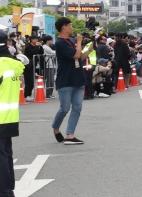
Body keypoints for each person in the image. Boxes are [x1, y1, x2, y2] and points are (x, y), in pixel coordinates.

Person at [0, 30, 28, 197]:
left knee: (0, 156)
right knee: (6, 154)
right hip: (10, 115)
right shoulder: (14, 63)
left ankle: (2, 195)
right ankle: (8, 192)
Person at [52, 17, 92, 145]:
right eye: (70, 25)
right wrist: (79, 42)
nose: (72, 27)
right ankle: (56, 128)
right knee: (64, 108)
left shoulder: (71, 41)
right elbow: (75, 55)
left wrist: (89, 50)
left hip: (78, 78)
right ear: (63, 27)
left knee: (77, 108)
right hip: (65, 79)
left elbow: (79, 58)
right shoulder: (60, 43)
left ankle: (70, 134)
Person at [22, 34, 43, 100]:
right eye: (35, 39)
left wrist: (40, 47)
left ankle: (29, 95)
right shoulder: (28, 47)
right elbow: (33, 53)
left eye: (37, 39)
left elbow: (41, 53)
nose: (36, 40)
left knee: (32, 81)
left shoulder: (36, 46)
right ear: (31, 40)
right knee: (28, 81)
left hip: (33, 65)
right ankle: (26, 95)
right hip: (28, 65)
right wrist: (37, 46)